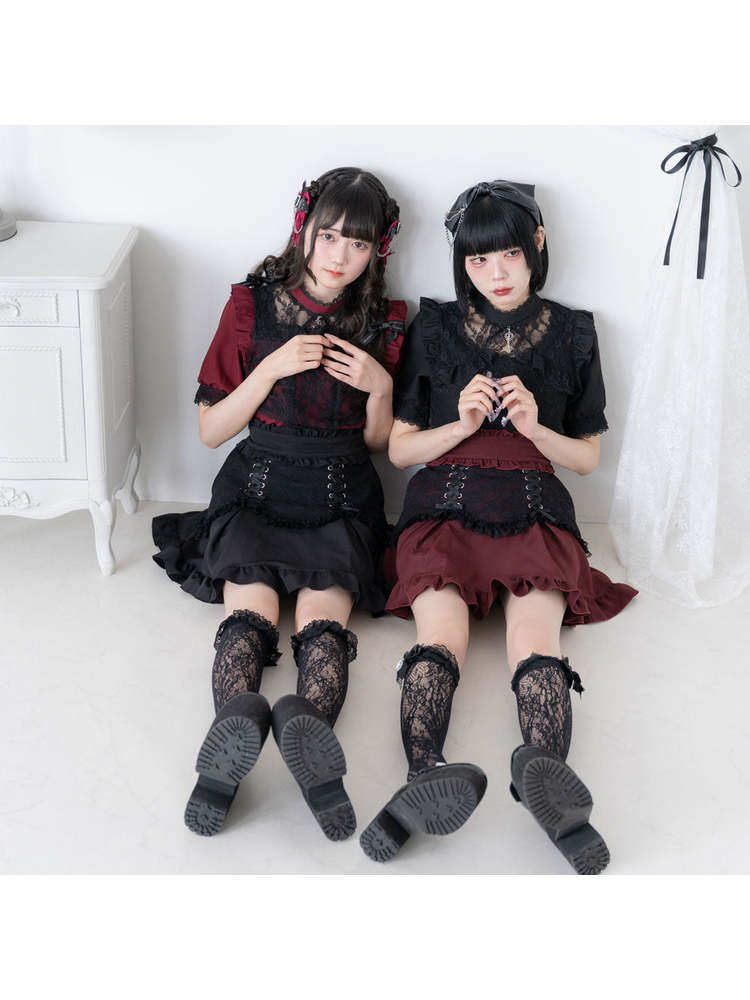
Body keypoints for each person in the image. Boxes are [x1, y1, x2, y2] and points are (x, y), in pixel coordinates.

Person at [359, 180, 638, 874]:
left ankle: (552, 789)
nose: (496, 273)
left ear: (536, 244)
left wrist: (536, 426)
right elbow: (401, 450)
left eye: (509, 253)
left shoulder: (574, 332)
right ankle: (422, 776)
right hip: (443, 503)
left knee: (535, 641)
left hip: (535, 506)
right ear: (463, 263)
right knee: (440, 636)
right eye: (478, 260)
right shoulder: (435, 326)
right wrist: (460, 423)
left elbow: (587, 458)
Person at [152, 167, 406, 843]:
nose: (339, 256)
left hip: (341, 494)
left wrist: (380, 386)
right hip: (257, 489)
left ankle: (310, 744)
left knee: (324, 627)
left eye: (358, 243)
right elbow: (211, 431)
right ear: (305, 228)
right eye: (330, 236)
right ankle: (226, 754)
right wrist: (270, 368)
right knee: (248, 617)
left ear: (377, 249)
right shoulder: (251, 306)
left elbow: (380, 445)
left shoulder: (386, 321)